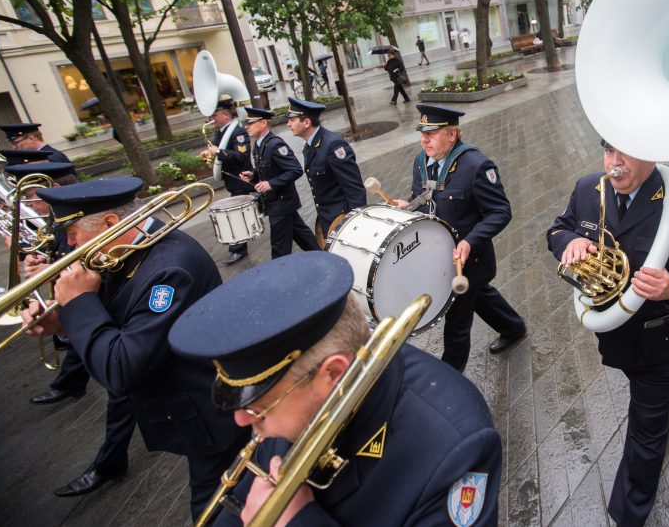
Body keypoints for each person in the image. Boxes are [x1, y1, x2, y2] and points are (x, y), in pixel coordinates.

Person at [168, 252, 502, 527]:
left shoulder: (456, 447)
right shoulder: (293, 403)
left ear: (333, 373)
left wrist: (299, 521)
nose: (241, 420)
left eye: (258, 406)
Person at [20, 177, 249, 519]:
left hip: (209, 410)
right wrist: (64, 323)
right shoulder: (123, 251)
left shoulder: (168, 269)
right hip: (181, 401)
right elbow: (118, 321)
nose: (69, 247)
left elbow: (121, 368)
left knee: (212, 509)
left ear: (111, 223)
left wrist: (79, 303)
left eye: (72, 236)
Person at [546, 139, 669, 526]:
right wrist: (571, 241)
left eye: (625, 154)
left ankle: (627, 514)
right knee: (655, 403)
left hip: (659, 340)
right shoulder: (587, 188)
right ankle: (667, 408)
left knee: (645, 436)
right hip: (612, 335)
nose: (615, 165)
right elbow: (557, 230)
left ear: (652, 154)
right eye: (609, 152)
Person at [7, 162, 140, 498]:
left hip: (124, 338)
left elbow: (91, 287)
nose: (34, 206)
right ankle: (109, 461)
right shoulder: (70, 226)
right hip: (108, 330)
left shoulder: (94, 229)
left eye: (37, 199)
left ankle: (109, 463)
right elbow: (78, 275)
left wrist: (76, 306)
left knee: (122, 390)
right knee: (121, 393)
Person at [392, 105, 526, 373]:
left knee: (456, 324)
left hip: (468, 262)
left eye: (431, 133)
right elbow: (425, 198)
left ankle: (448, 380)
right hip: (438, 257)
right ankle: (513, 327)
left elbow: (500, 212)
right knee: (479, 295)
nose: (424, 139)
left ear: (452, 135)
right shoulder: (421, 162)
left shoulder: (477, 166)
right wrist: (408, 204)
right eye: (422, 132)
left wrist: (469, 241)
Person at [238, 107, 319, 259]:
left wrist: (271, 184)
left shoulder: (275, 144)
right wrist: (254, 175)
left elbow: (295, 169)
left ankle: (279, 275)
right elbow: (267, 169)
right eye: (246, 124)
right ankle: (324, 257)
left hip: (281, 204)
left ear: (263, 123)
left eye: (250, 123)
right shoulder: (258, 145)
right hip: (278, 204)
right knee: (304, 238)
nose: (246, 127)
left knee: (279, 250)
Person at [285, 98, 366, 246]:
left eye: (292, 120)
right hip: (327, 219)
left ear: (307, 122)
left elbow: (354, 189)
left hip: (343, 220)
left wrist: (356, 224)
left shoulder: (333, 145)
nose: (288, 124)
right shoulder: (310, 146)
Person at [202, 99, 253, 265]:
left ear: (225, 114)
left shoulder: (238, 133)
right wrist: (209, 154)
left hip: (241, 180)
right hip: (232, 181)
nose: (212, 118)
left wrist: (218, 152)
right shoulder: (221, 132)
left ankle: (238, 249)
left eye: (215, 115)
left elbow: (241, 157)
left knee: (236, 215)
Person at [0, 122, 71, 164]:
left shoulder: (52, 158)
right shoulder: (36, 157)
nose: (14, 147)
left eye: (16, 142)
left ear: (31, 138)